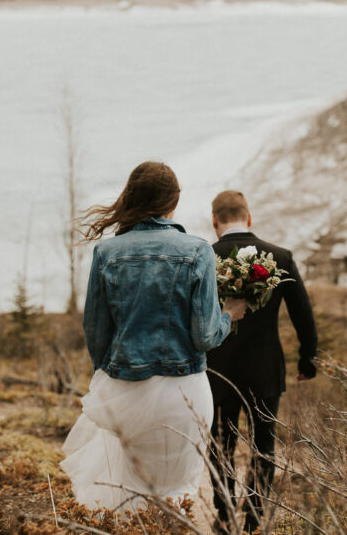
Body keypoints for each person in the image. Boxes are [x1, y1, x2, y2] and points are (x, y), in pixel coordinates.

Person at [60, 161, 246, 510]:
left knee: (128, 496)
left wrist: (113, 377)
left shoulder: (106, 253)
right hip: (184, 394)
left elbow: (96, 333)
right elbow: (205, 336)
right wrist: (229, 314)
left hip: (125, 391)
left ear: (132, 198)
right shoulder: (197, 250)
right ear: (174, 202)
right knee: (178, 494)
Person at [206, 190, 318, 533]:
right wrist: (307, 359)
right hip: (264, 368)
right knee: (263, 444)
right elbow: (303, 314)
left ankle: (224, 514)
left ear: (215, 222)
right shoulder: (280, 257)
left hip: (216, 370)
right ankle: (254, 518)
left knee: (220, 443)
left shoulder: (206, 257)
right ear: (249, 217)